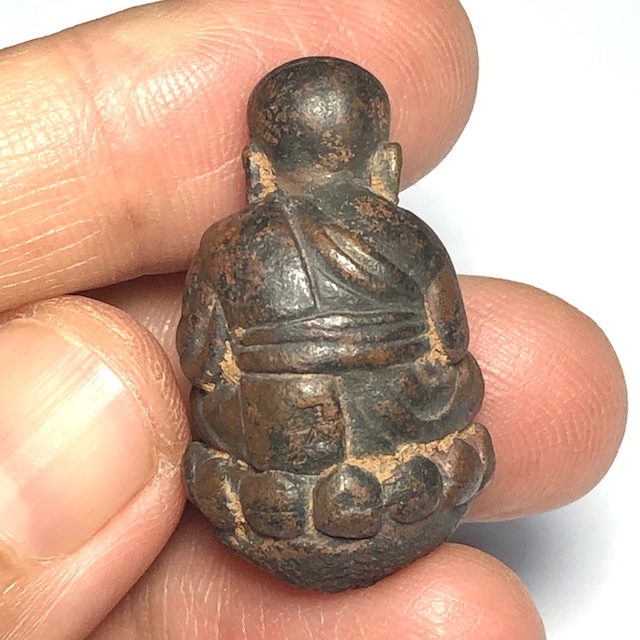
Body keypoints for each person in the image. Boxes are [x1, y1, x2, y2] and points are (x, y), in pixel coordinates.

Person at [0, 0, 626, 638]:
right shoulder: (412, 235)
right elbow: (450, 342)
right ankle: (394, 479)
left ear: (257, 171)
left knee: (225, 409)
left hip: (280, 469)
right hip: (408, 461)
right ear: (386, 168)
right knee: (452, 389)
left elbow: (201, 360)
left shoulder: (228, 244)